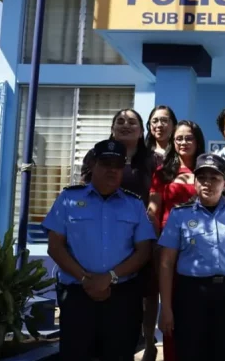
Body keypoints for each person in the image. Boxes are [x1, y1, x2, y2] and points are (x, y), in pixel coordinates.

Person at [44, 139, 156, 361]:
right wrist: (85, 279)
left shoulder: (134, 204)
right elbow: (55, 247)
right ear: (93, 165)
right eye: (106, 164)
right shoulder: (69, 199)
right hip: (77, 295)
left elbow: (143, 251)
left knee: (119, 355)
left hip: (121, 297)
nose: (112, 170)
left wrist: (110, 277)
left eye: (117, 165)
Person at [80, 108, 162, 360]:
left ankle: (147, 341)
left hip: (141, 236)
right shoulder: (96, 154)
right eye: (120, 121)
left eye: (132, 122)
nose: (126, 125)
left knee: (146, 291)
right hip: (106, 234)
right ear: (113, 128)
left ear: (141, 130)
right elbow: (86, 190)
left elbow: (158, 196)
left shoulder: (153, 160)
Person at [157, 153, 225, 361]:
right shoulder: (180, 214)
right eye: (202, 178)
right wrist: (166, 308)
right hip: (191, 294)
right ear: (194, 183)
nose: (207, 183)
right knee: (190, 351)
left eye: (214, 178)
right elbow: (166, 263)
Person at [147, 120, 205, 361]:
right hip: (170, 250)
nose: (183, 142)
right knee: (171, 310)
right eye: (179, 138)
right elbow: (153, 211)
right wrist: (157, 245)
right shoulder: (163, 173)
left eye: (188, 137)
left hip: (202, 251)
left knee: (199, 310)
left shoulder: (207, 170)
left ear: (197, 140)